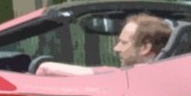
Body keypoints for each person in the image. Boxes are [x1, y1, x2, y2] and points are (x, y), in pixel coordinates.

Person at [36, 14, 172, 76]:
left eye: (123, 43)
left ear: (145, 48)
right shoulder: (166, 75)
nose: (116, 48)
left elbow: (45, 69)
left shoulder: (124, 76)